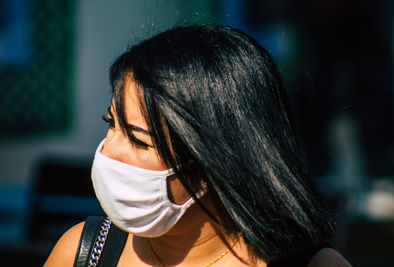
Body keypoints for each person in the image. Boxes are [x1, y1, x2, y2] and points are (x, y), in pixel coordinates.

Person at [44, 25, 351, 266]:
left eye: (138, 140)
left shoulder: (315, 265)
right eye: (111, 124)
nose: (108, 151)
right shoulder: (84, 253)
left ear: (214, 158)